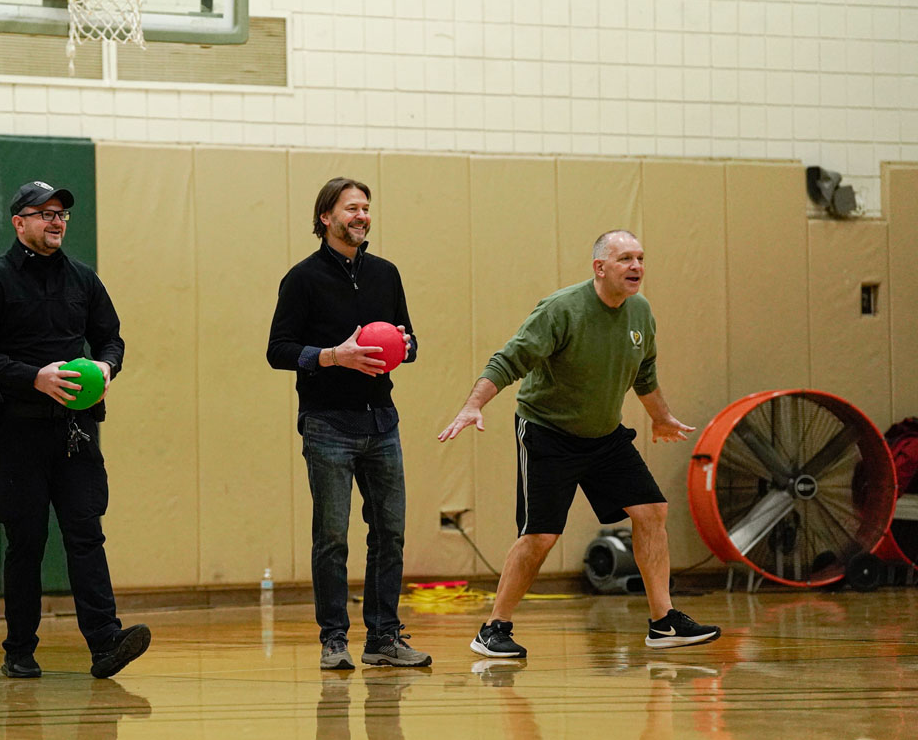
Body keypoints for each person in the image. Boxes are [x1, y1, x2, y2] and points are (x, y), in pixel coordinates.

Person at [438, 229, 720, 658]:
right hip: (548, 433)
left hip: (605, 436)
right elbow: (508, 359)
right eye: (625, 259)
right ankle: (493, 628)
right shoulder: (561, 310)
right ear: (600, 267)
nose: (637, 267)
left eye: (641, 258)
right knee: (541, 536)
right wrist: (472, 406)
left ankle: (663, 623)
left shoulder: (640, 312)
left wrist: (660, 418)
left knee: (651, 511)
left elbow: (644, 373)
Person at [0, 180, 151, 679]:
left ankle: (106, 643)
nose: (56, 221)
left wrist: (107, 368)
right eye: (43, 213)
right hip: (16, 433)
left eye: (62, 213)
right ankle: (19, 650)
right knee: (26, 541)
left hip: (75, 432)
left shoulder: (84, 280)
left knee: (86, 533)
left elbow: (111, 340)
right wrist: (34, 378)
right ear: (18, 221)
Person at [267, 177, 431, 671]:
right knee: (332, 536)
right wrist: (333, 356)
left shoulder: (386, 274)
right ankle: (333, 640)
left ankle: (382, 639)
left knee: (389, 533)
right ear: (326, 218)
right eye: (351, 208)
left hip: (382, 421)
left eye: (366, 208)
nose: (361, 216)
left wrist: (406, 345)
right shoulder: (302, 279)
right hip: (327, 424)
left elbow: (410, 340)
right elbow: (278, 351)